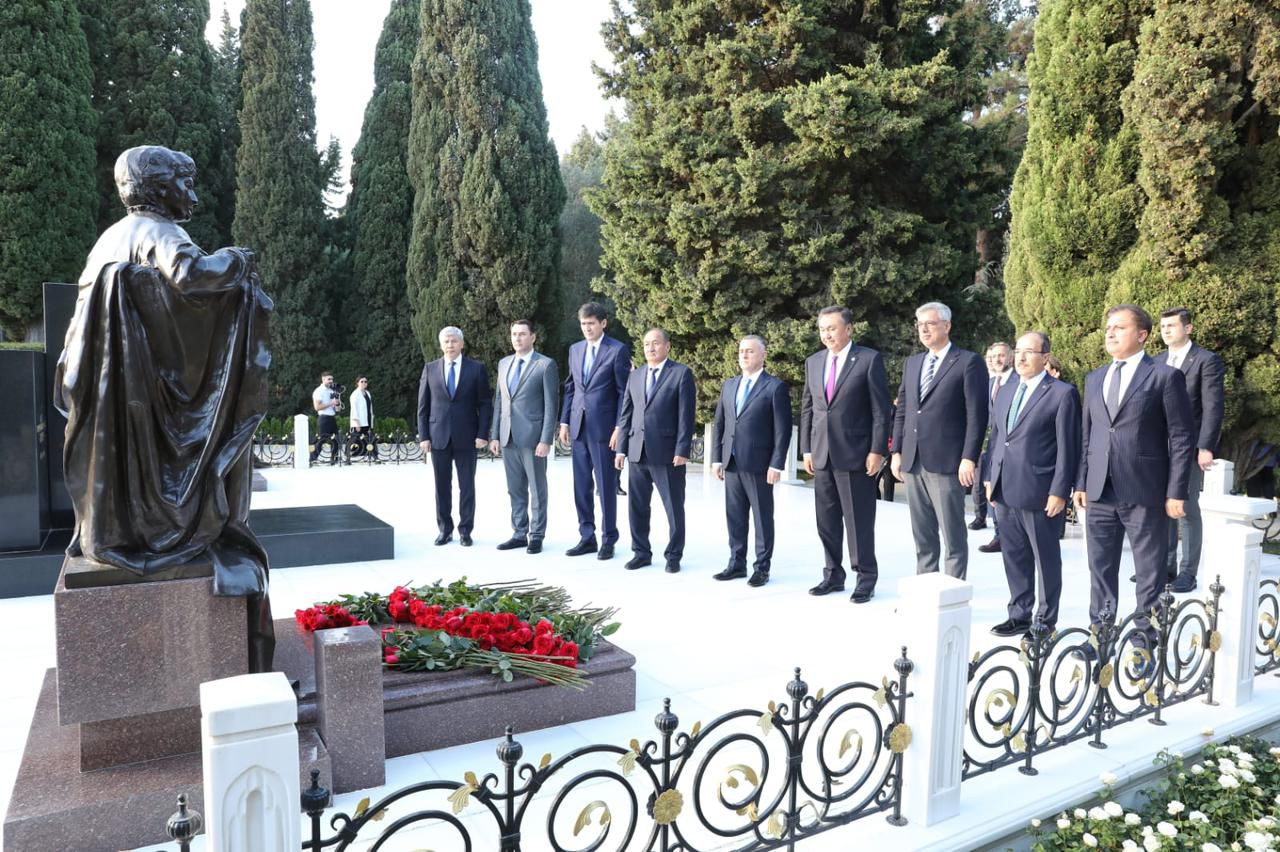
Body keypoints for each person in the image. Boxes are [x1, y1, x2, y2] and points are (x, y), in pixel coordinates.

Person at [55, 145, 274, 672]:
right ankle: (167, 531)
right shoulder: (159, 231)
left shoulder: (110, 237)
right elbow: (193, 278)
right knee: (211, 454)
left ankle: (126, 527)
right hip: (141, 402)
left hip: (115, 400)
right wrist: (238, 261)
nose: (193, 194)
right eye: (185, 182)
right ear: (158, 188)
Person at [1074, 304, 1194, 635]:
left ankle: (1146, 635)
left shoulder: (1164, 377)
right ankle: (1101, 631)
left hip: (1144, 489)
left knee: (1149, 569)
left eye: (1120, 328)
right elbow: (1089, 436)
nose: (1110, 333)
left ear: (1142, 335)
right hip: (1099, 490)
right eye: (1108, 327)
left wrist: (1176, 491)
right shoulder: (1095, 377)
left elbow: (1182, 438)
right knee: (1100, 568)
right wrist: (1081, 480)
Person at [983, 332, 1081, 636]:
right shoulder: (1008, 388)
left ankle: (1045, 619)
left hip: (1040, 491)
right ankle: (1019, 613)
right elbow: (998, 436)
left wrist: (1059, 491)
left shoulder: (1061, 393)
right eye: (1018, 351)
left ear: (1046, 357)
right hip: (1005, 487)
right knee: (1014, 555)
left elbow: (1069, 447)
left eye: (1029, 352)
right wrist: (990, 476)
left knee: (1045, 558)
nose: (1021, 358)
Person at [891, 301, 988, 580]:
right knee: (922, 534)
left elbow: (976, 415)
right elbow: (904, 410)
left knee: (952, 535)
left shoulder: (968, 362)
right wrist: (896, 451)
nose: (923, 329)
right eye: (920, 324)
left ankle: (952, 594)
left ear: (947, 325)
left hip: (947, 462)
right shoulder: (913, 363)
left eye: (930, 323)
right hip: (913, 460)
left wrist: (968, 457)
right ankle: (926, 588)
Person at [800, 306, 891, 603]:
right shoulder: (814, 362)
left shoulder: (867, 359)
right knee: (825, 520)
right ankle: (832, 574)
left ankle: (865, 576)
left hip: (856, 455)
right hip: (822, 454)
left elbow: (881, 411)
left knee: (858, 521)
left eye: (833, 328)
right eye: (823, 329)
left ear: (849, 329)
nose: (827, 334)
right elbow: (808, 409)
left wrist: (878, 450)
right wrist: (807, 448)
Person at [710, 336, 792, 587]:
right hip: (732, 463)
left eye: (750, 351)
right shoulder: (729, 385)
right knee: (734, 516)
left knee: (762, 518)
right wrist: (716, 459)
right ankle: (736, 564)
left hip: (759, 465)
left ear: (763, 355)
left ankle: (762, 568)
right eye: (741, 351)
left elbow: (782, 430)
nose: (744, 355)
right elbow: (720, 424)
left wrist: (776, 464)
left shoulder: (774, 387)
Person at [615, 328, 696, 573]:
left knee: (673, 506)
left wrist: (682, 449)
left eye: (656, 343)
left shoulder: (680, 374)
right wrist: (621, 450)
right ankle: (641, 552)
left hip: (668, 454)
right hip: (637, 452)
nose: (650, 348)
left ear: (667, 346)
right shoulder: (635, 376)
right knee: (637, 506)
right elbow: (626, 414)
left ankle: (673, 556)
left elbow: (686, 416)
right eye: (647, 344)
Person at [1158, 307, 1225, 593]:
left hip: (1189, 447)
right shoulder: (1157, 362)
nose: (1166, 330)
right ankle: (1167, 567)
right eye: (1163, 326)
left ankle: (1188, 572)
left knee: (1186, 508)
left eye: (1172, 325)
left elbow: (1212, 407)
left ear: (1189, 328)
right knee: (1162, 509)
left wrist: (1205, 446)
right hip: (1158, 448)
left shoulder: (1206, 360)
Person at [560, 303, 631, 560]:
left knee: (606, 485)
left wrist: (619, 427)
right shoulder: (575, 349)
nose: (587, 328)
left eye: (591, 323)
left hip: (604, 430)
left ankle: (608, 538)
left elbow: (624, 392)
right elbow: (571, 386)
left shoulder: (617, 350)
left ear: (603, 323)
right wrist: (565, 421)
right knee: (581, 486)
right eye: (583, 324)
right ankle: (586, 536)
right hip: (578, 427)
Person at [417, 326, 492, 547]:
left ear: (461, 344)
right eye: (446, 342)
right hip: (438, 436)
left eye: (453, 341)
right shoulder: (430, 369)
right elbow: (423, 405)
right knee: (441, 486)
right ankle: (444, 529)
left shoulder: (476, 369)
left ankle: (466, 530)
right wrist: (424, 436)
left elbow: (485, 404)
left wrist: (482, 433)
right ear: (441, 345)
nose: (450, 345)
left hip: (467, 437)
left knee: (467, 485)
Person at [490, 320, 559, 554]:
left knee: (537, 490)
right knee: (515, 489)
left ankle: (536, 535)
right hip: (507, 436)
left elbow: (551, 405)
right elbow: (500, 401)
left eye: (522, 334)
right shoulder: (503, 363)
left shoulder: (545, 365)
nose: (517, 338)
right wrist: (494, 435)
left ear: (533, 337)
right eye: (514, 334)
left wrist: (546, 439)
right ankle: (519, 533)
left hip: (533, 438)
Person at [974, 342, 1013, 554]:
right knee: (990, 492)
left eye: (1001, 356)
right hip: (990, 448)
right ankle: (999, 536)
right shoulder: (989, 383)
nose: (997, 360)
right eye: (993, 356)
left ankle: (1010, 537)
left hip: (1011, 449)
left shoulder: (1018, 382)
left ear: (1010, 357)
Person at [310, 371, 342, 464]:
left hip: (332, 418)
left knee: (336, 440)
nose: (331, 381)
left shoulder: (332, 391)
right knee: (322, 440)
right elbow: (317, 407)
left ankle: (334, 459)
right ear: (323, 379)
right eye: (329, 379)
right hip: (323, 419)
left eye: (332, 379)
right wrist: (331, 403)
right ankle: (311, 459)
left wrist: (337, 404)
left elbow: (337, 409)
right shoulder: (318, 391)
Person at [348, 376, 375, 460]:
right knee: (355, 438)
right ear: (357, 383)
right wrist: (357, 423)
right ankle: (348, 454)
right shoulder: (355, 394)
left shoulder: (367, 393)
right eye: (362, 381)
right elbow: (354, 409)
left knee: (368, 438)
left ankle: (372, 454)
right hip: (359, 421)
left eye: (365, 381)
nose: (364, 383)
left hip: (367, 420)